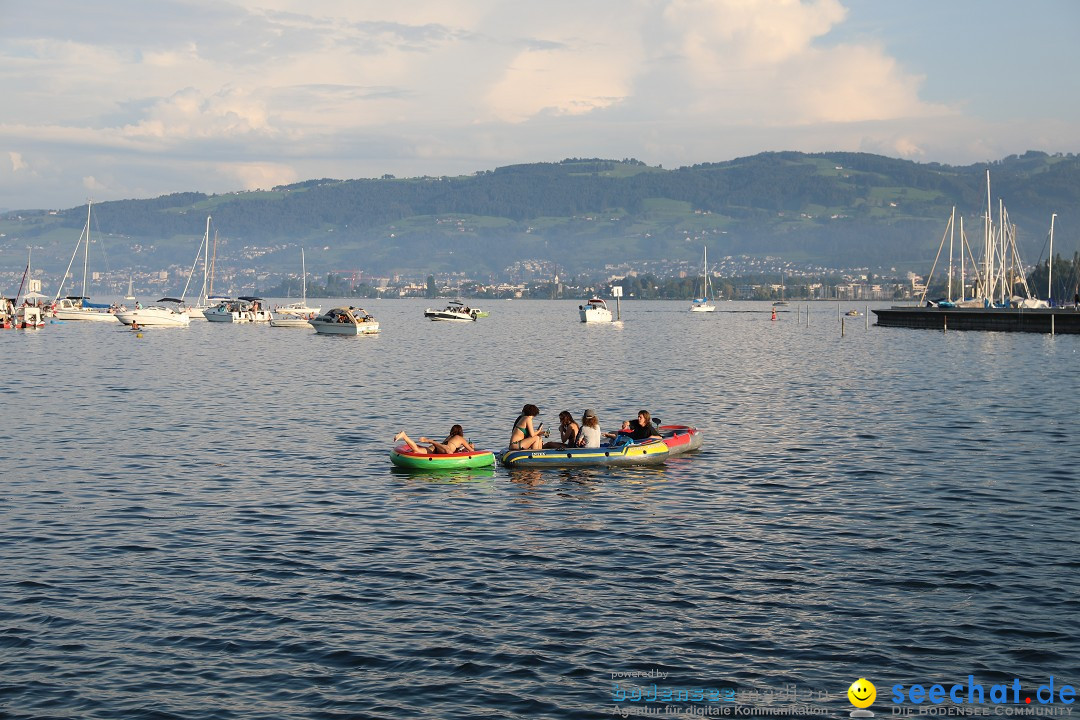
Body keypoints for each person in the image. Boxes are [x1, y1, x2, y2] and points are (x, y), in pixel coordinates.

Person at [394, 425, 475, 455]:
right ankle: (429, 440)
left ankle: (404, 436)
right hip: (443, 449)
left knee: (416, 450)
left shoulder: (449, 437)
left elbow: (456, 449)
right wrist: (471, 447)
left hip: (436, 448)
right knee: (449, 451)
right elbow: (471, 451)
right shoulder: (461, 439)